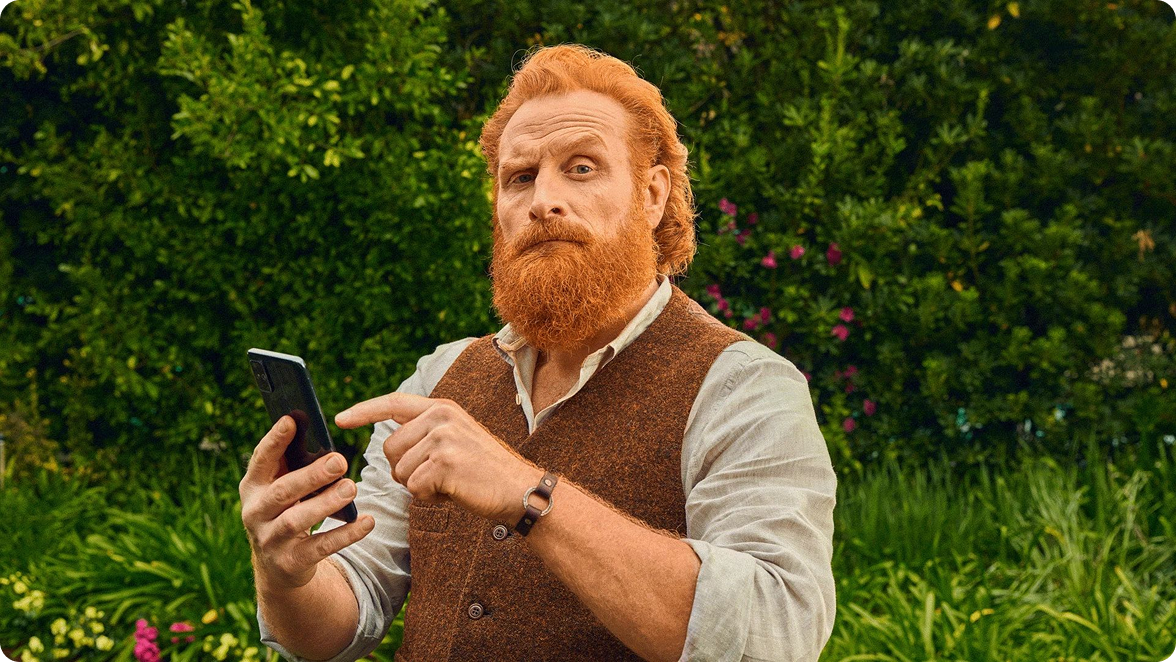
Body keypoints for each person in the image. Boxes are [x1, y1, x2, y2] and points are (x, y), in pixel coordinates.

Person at [240, 44, 837, 662]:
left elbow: (776, 634)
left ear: (652, 194)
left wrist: (529, 494)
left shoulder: (744, 387)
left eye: (581, 168)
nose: (542, 201)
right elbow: (343, 619)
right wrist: (287, 575)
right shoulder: (438, 379)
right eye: (520, 177)